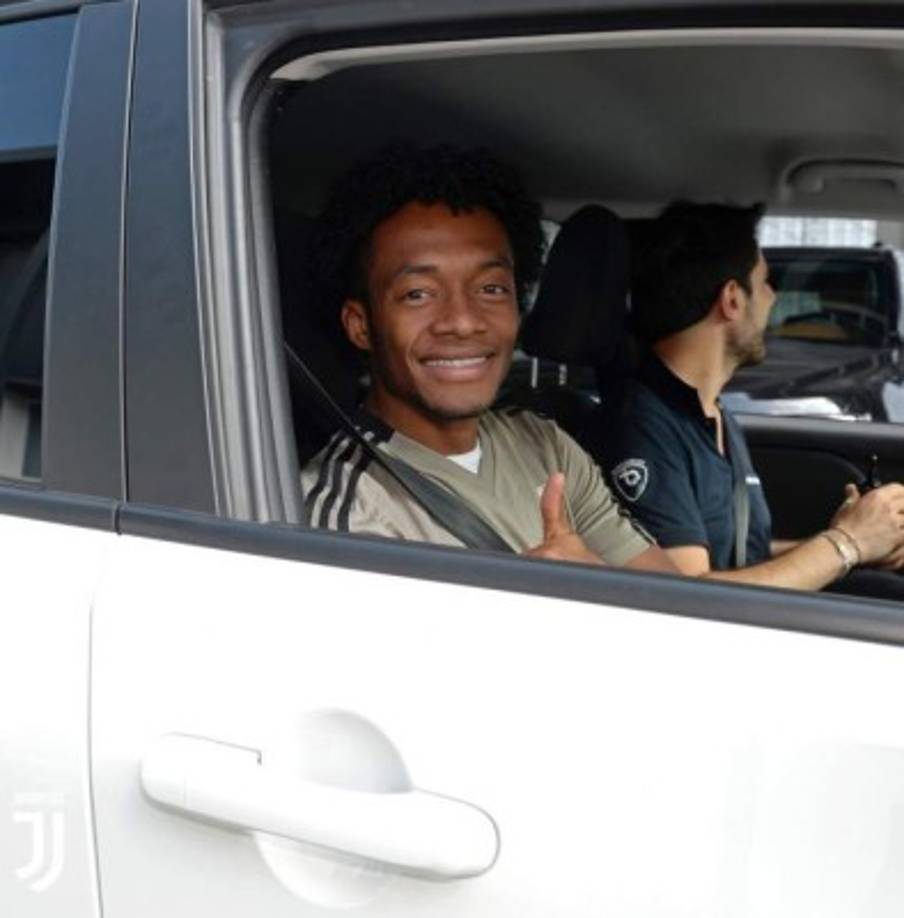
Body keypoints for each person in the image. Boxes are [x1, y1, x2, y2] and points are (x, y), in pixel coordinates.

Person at [300, 143, 677, 572]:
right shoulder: (352, 517)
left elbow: (671, 593)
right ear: (361, 325)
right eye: (418, 294)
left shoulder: (544, 445)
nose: (463, 322)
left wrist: (594, 578)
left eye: (491, 289)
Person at [598, 201, 904, 590]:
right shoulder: (642, 428)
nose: (773, 297)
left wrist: (856, 540)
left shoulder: (712, 412)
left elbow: (741, 558)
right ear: (732, 300)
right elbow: (689, 598)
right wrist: (847, 544)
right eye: (764, 282)